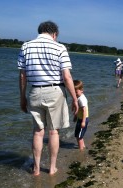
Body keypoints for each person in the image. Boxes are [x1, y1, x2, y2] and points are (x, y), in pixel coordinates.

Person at [17, 21, 78, 176]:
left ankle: (36, 169)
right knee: (53, 132)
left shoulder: (26, 46)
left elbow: (23, 75)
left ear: (40, 31)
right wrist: (74, 99)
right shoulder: (60, 47)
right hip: (55, 91)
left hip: (35, 91)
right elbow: (67, 76)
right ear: (54, 34)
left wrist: (22, 97)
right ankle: (52, 168)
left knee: (38, 132)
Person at [73, 80, 89, 151]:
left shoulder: (82, 99)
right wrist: (76, 116)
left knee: (79, 136)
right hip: (80, 119)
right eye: (74, 92)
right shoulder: (78, 97)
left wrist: (83, 121)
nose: (75, 94)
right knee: (78, 135)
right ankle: (83, 146)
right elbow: (79, 109)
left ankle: (81, 150)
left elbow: (84, 110)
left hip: (83, 119)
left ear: (81, 90)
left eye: (76, 92)